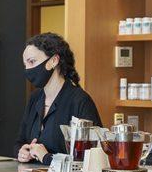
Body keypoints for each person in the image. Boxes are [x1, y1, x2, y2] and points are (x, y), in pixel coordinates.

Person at [15, 32, 102, 165]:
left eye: (32, 62)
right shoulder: (35, 98)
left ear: (54, 60)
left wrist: (46, 157)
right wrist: (22, 152)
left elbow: (90, 158)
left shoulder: (80, 101)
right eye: (25, 64)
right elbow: (20, 142)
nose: (27, 69)